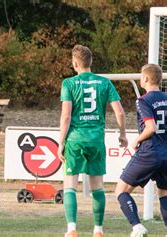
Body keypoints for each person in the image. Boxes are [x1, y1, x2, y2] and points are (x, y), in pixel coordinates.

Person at [58, 45, 127, 237]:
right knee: (98, 187)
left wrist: (60, 142)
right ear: (91, 62)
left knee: (70, 185)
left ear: (74, 63)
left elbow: (66, 116)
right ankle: (98, 229)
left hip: (75, 140)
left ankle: (72, 228)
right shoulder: (105, 83)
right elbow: (120, 112)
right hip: (96, 140)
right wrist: (123, 134)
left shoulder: (69, 83)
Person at [115, 64, 167, 237]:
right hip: (166, 153)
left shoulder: (143, 100)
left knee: (121, 191)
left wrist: (137, 139)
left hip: (150, 152)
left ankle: (137, 227)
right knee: (164, 192)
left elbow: (150, 127)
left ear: (145, 78)